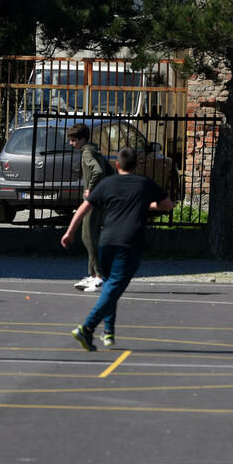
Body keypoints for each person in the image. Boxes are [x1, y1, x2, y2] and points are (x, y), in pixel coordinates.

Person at [61, 146, 174, 350]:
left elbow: (85, 207)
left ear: (117, 164)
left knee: (110, 285)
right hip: (129, 242)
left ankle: (108, 331)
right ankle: (87, 328)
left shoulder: (108, 183)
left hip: (106, 241)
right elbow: (167, 204)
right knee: (113, 287)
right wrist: (149, 205)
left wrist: (69, 232)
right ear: (138, 164)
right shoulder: (144, 183)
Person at [67, 123, 111, 293]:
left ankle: (99, 276)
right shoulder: (95, 151)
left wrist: (91, 189)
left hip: (93, 201)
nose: (71, 143)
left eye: (73, 140)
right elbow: (109, 171)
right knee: (90, 235)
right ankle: (93, 275)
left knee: (88, 236)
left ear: (83, 139)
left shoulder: (87, 153)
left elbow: (99, 171)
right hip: (100, 199)